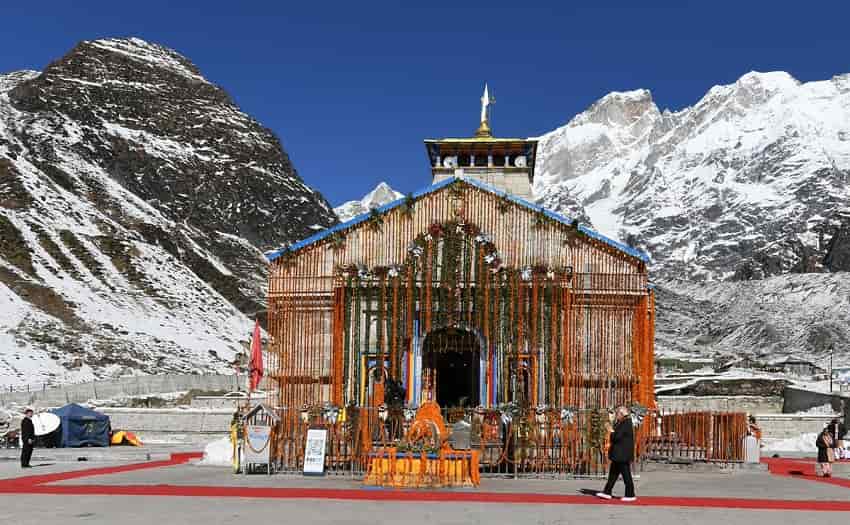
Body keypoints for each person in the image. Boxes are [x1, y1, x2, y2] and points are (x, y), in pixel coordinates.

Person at [596, 406, 636, 502]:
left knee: (626, 475)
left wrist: (610, 430)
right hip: (619, 454)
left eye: (617, 413)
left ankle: (630, 494)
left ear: (622, 414)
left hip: (622, 454)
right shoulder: (622, 422)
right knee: (613, 474)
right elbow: (617, 433)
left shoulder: (626, 423)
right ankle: (607, 492)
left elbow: (617, 437)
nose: (616, 415)